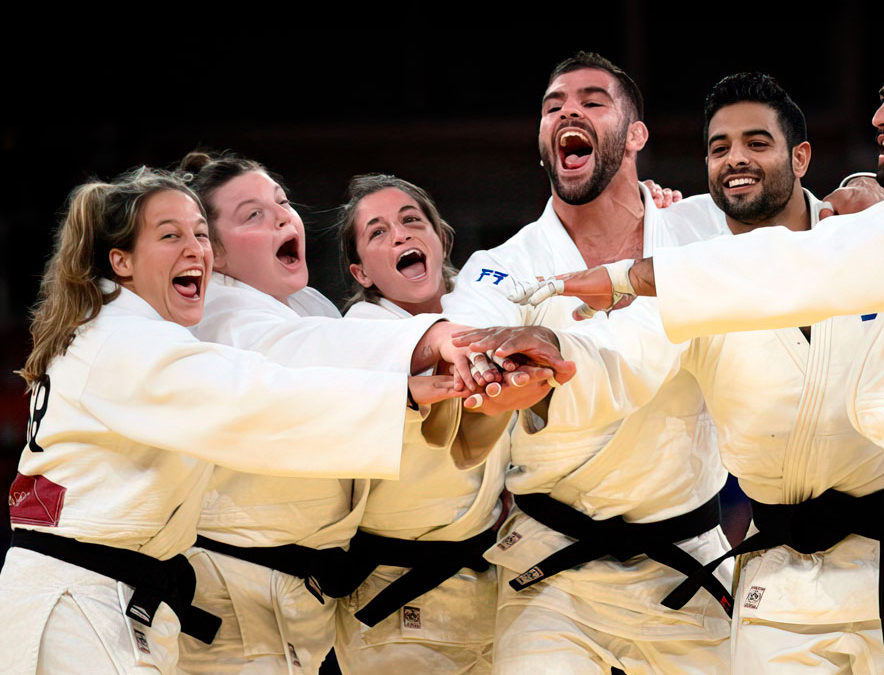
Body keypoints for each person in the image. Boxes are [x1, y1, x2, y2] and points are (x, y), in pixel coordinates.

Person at [515, 32, 884, 674]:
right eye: (718, 147)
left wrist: (627, 275)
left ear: (802, 157)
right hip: (836, 560)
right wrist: (551, 362)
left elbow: (811, 265)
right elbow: (625, 351)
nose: (882, 115)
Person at [0, 169, 456, 674]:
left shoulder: (124, 328)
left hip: (109, 592)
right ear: (121, 260)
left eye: (199, 233)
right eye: (170, 235)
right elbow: (250, 399)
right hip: (81, 597)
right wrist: (400, 395)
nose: (195, 248)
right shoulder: (126, 340)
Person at [173, 152, 552, 674]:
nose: (283, 217)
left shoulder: (309, 305)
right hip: (255, 585)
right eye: (253, 215)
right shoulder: (228, 314)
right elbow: (328, 350)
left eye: (281, 203)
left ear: (444, 240)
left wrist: (647, 215)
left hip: (316, 596)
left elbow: (546, 269)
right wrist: (437, 348)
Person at [440, 52, 734, 673]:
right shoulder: (501, 267)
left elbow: (804, 234)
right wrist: (500, 397)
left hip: (690, 563)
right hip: (551, 576)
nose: (568, 110)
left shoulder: (702, 232)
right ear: (544, 142)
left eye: (592, 101)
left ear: (635, 137)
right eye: (554, 106)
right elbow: (468, 407)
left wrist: (852, 191)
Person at [331, 174, 544, 673]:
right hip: (391, 593)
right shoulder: (359, 335)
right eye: (378, 232)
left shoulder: (481, 308)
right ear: (361, 272)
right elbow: (454, 437)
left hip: (487, 585)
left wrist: (646, 210)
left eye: (411, 221)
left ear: (440, 239)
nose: (401, 235)